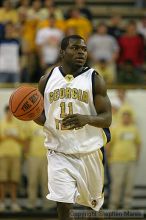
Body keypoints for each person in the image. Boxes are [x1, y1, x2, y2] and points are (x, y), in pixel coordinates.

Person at [34, 35, 112, 220]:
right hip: (58, 152)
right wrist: (29, 114)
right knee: (63, 206)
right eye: (75, 48)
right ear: (62, 52)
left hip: (89, 151)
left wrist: (86, 118)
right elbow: (43, 118)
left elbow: (107, 118)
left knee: (94, 210)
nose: (81, 52)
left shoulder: (94, 79)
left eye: (83, 49)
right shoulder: (46, 80)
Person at [108, 110, 141, 209]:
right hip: (117, 161)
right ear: (121, 118)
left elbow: (138, 143)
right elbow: (109, 144)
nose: (126, 119)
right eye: (124, 117)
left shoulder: (134, 129)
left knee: (129, 186)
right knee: (116, 185)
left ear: (130, 118)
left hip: (131, 161)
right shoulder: (116, 128)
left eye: (128, 117)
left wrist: (137, 157)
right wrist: (109, 157)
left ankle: (127, 207)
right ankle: (113, 207)